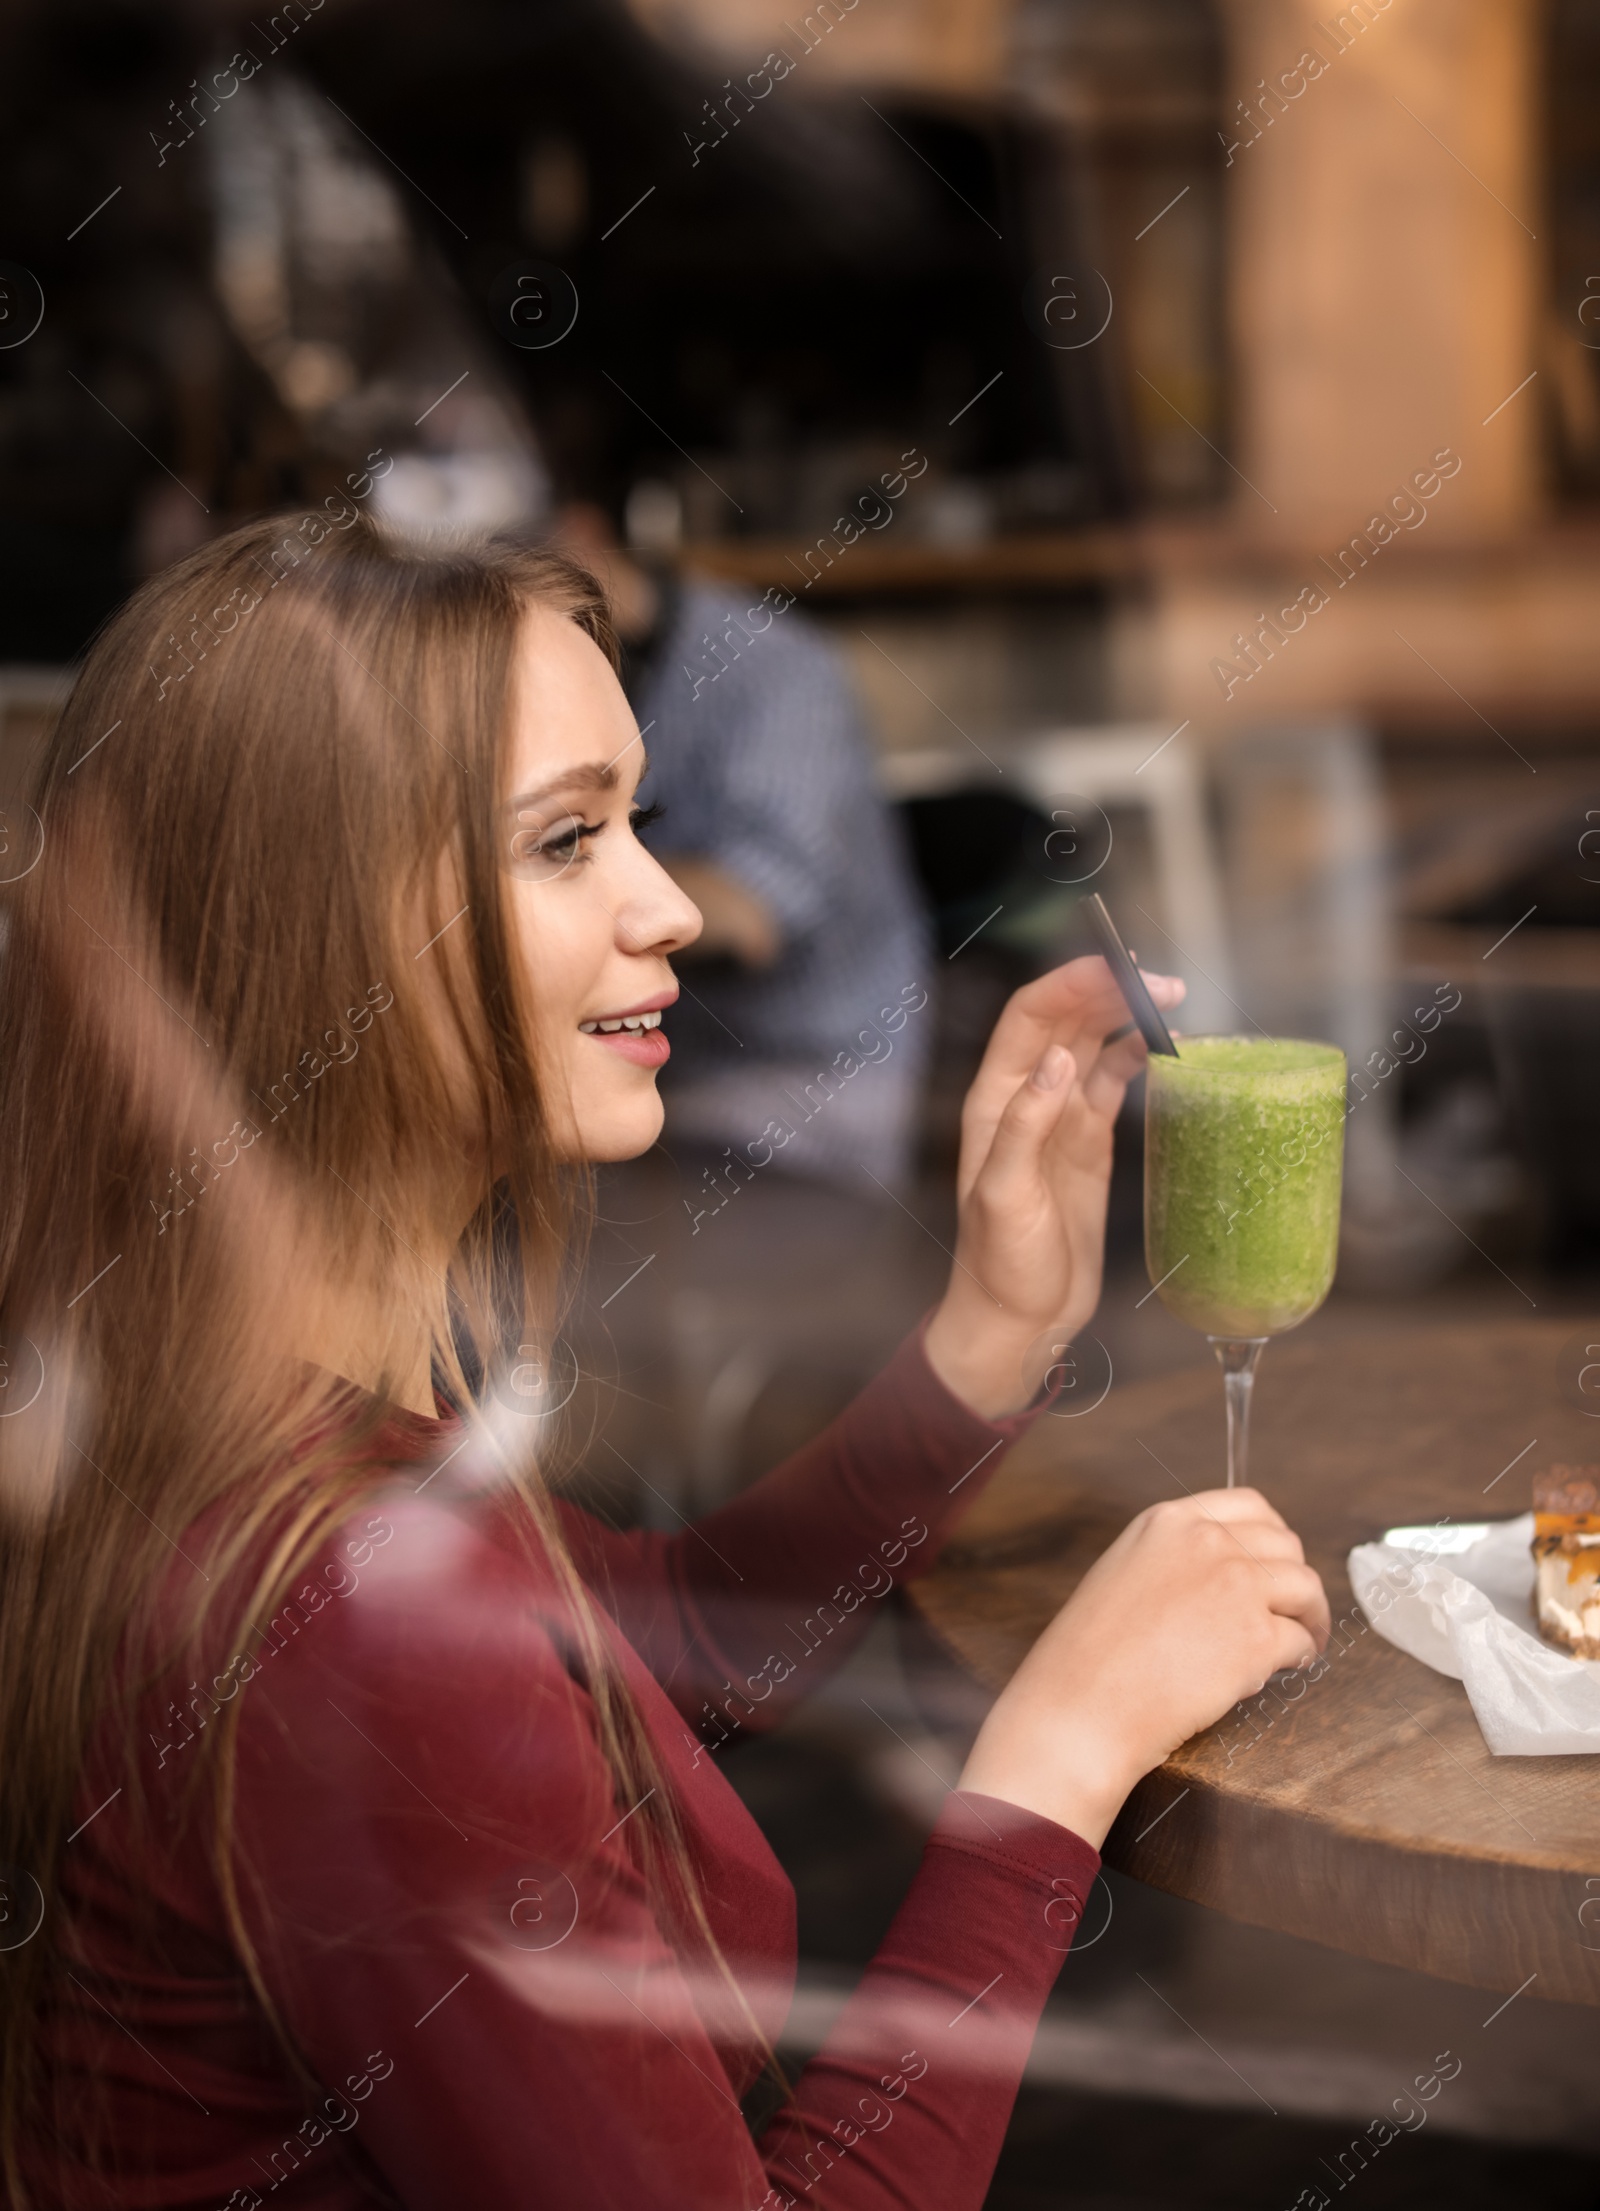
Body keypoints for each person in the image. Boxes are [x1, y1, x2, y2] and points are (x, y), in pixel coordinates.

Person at [0, 514, 1330, 2209]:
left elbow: (645, 1653)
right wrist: (1057, 1759)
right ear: (323, 931)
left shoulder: (221, 1407)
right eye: (565, 841)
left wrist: (995, 1333)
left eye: (639, 819)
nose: (669, 908)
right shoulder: (346, 1612)